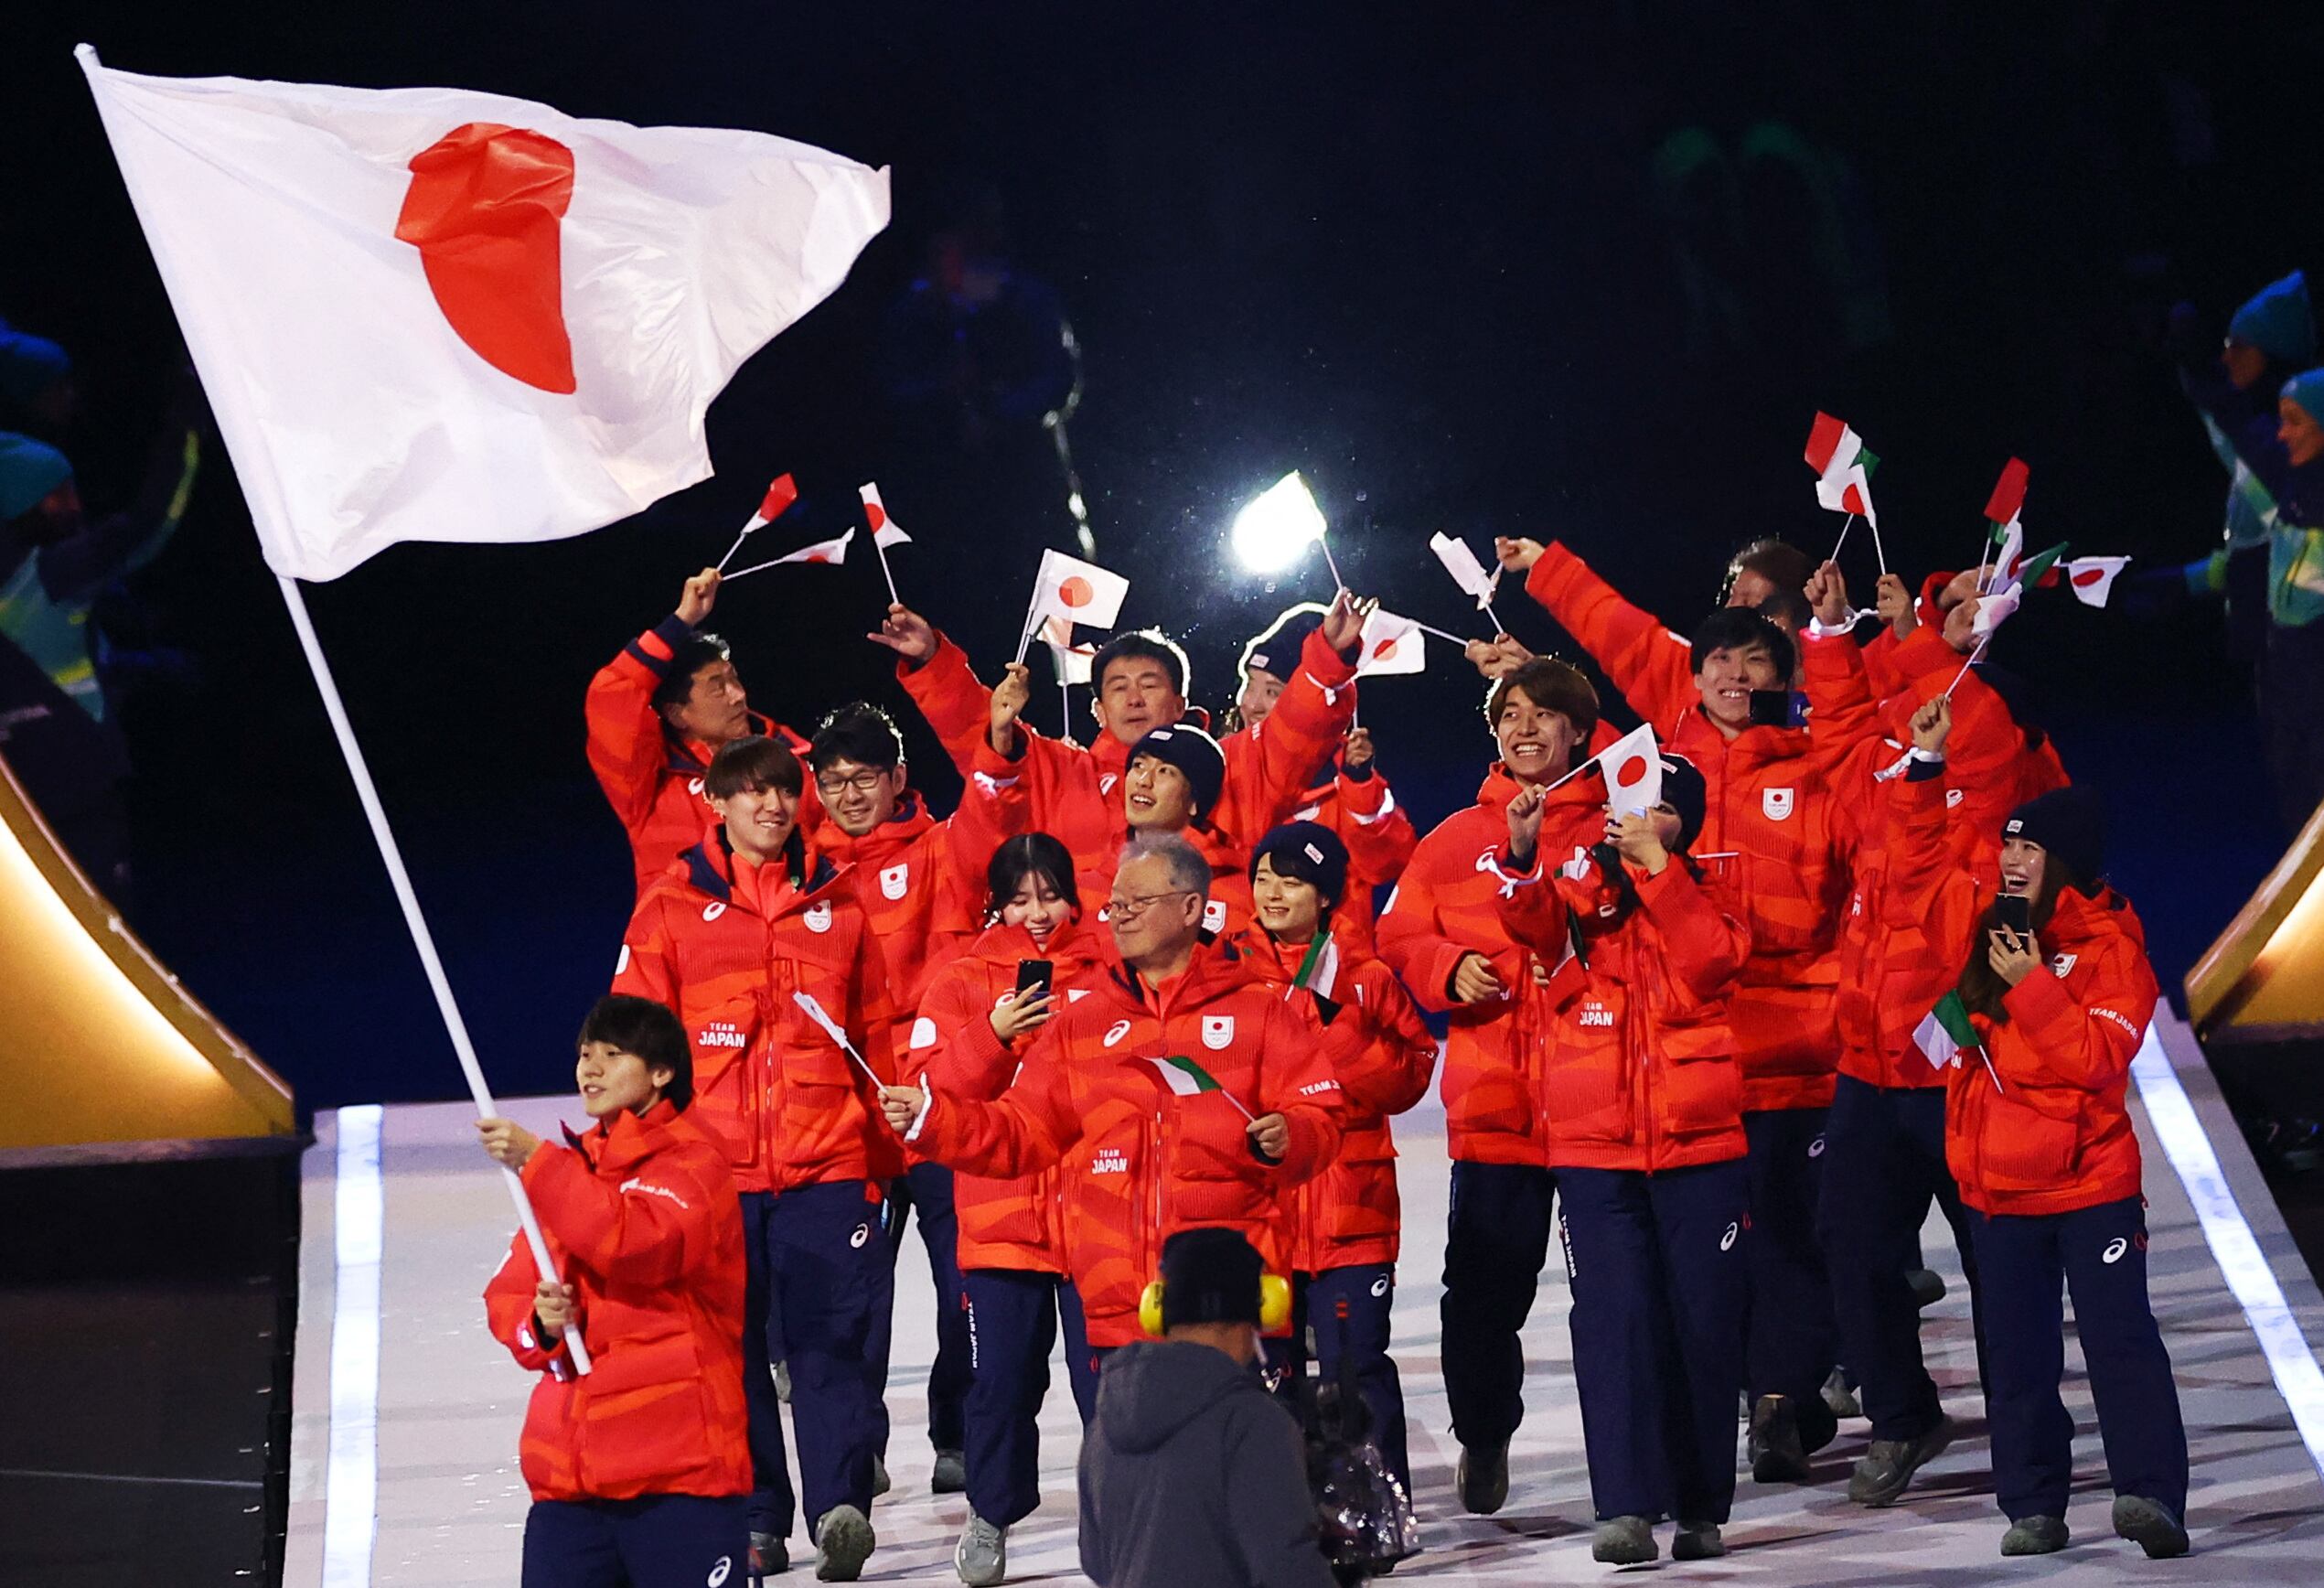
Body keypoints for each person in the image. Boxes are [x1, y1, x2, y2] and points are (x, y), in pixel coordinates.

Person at [1499, 534, 1858, 1484]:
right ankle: (1752, 1395)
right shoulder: (1662, 757)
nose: (1736, 675)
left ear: (1786, 669)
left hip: (1805, 1042)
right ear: (1693, 673)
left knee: (1799, 1234)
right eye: (1720, 660)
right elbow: (1614, 631)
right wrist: (1544, 567)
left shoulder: (1822, 757)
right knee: (1721, 1248)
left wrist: (1836, 633)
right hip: (1699, 1054)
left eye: (1757, 659)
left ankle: (1783, 1395)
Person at [882, 832, 1344, 1385]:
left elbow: (1322, 1117)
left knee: (1229, 1464)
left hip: (1225, 1306)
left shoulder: (1257, 1012)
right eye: (1115, 905)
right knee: (1125, 1468)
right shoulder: (1085, 1023)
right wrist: (934, 1122)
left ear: (1191, 908)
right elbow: (1022, 1131)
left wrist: (1292, 1136)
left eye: (1137, 904)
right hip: (1116, 1308)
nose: (1119, 918)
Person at [1797, 563, 2067, 1506]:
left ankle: (2027, 1427)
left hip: (1959, 1055)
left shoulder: (1992, 739)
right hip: (1869, 1061)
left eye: (1961, 611)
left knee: (1999, 1255)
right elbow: (1839, 731)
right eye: (1935, 609)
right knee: (1850, 1238)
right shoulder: (1902, 736)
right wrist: (1831, 635)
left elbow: (1966, 710)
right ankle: (1907, 1415)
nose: (1935, 626)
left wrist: (1910, 626)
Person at [1892, 710, 2190, 1559]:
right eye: (2007, 847)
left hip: (2088, 1187)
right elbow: (1918, 872)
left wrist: (2029, 988)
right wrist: (1922, 765)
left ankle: (2149, 1499)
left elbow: (2097, 1061)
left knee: (2119, 1344)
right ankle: (2032, 1504)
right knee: (2014, 1358)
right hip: (1997, 1191)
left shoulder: (2110, 951)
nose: (2010, 859)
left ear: (2067, 864)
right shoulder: (1983, 926)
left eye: (2028, 850)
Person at [611, 735, 893, 1582]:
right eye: (753, 794)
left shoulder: (840, 908)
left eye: (783, 793)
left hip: (828, 1166)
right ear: (718, 804)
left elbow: (874, 1040)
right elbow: (631, 1046)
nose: (772, 807)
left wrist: (880, 1156)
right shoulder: (667, 909)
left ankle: (839, 1506)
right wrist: (645, 1163)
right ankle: (760, 1519)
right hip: (714, 1176)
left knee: (830, 1343)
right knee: (731, 1357)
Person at [1496, 754, 1754, 1564]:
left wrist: (1658, 871)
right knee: (1612, 1328)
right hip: (1593, 1148)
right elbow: (1528, 925)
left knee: (1703, 1329)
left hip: (1699, 1148)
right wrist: (1524, 853)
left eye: (1663, 809)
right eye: (1632, 807)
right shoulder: (1581, 893)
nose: (1642, 819)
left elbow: (1712, 961)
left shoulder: (1711, 892)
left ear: (1687, 823)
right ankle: (1624, 1510)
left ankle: (1701, 1504)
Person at [1374, 655, 1610, 1514]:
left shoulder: (1617, 824)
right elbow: (1395, 936)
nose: (1522, 727)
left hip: (1601, 1106)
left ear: (1579, 732)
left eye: (1543, 713)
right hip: (1495, 1103)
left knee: (1614, 1297)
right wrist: (1449, 966)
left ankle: (1635, 1453)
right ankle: (1484, 1434)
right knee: (1482, 1294)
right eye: (1509, 713)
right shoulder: (1449, 841)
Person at [805, 683, 1033, 1501]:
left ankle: (955, 1432)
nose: (849, 794)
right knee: (850, 1299)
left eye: (864, 776)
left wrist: (1000, 744)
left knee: (959, 1283)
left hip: (941, 1102)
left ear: (899, 777)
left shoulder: (943, 852)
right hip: (846, 1116)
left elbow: (994, 813)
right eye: (832, 780)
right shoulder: (804, 874)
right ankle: (855, 1442)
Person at [477, 994, 750, 1588]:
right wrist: (541, 1323)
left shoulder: (693, 1164)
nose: (589, 1069)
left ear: (661, 1072)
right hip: (568, 1485)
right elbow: (507, 1298)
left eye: (611, 1054)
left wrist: (537, 1162)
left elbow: (636, 1246)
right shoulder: (572, 1171)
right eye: (583, 1055)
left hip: (678, 1473)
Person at [905, 832, 1112, 1585]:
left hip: (1098, 1221)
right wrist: (991, 1036)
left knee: (1107, 1387)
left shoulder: (1111, 971)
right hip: (1000, 1222)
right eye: (1019, 898)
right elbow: (928, 1093)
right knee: (1000, 1385)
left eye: (1050, 894)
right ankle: (989, 1517)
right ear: (993, 902)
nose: (1036, 913)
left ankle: (1115, 1520)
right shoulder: (960, 980)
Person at [867, 591, 1365, 888]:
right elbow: (986, 732)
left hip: (1206, 986)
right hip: (1086, 988)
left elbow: (1293, 733)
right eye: (1118, 689)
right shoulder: (1064, 774)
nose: (1134, 700)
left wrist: (1327, 657)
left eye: (1149, 686)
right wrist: (933, 660)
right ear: (1098, 710)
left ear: (1180, 705)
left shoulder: (1229, 767)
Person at [1232, 821, 1436, 1491]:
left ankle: (1376, 1518)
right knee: (1269, 1373)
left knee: (1356, 1365)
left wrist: (1338, 1033)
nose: (1271, 893)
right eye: (1263, 877)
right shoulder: (1224, 969)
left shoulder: (1364, 975)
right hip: (1259, 1213)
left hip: (1351, 1207)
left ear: (1324, 896)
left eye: (1290, 881)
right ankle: (1282, 1519)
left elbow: (1410, 1079)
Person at [1074, 1227, 1337, 1588]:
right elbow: (1289, 1568)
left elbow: (1096, 1561)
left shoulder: (1104, 1423)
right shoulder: (1253, 1423)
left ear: (1160, 1310)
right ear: (1259, 1308)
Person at [586, 567, 809, 895]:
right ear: (677, 715)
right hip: (682, 940)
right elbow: (612, 695)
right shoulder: (649, 784)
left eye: (734, 678)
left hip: (782, 937)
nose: (739, 695)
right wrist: (681, 621)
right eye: (717, 688)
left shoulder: (795, 759)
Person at [1234, 603, 1419, 950]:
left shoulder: (1349, 788)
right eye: (1250, 685)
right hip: (1242, 978)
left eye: (1273, 691)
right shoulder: (1223, 767)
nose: (1253, 704)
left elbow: (1388, 864)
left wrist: (1360, 786)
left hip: (1329, 979)